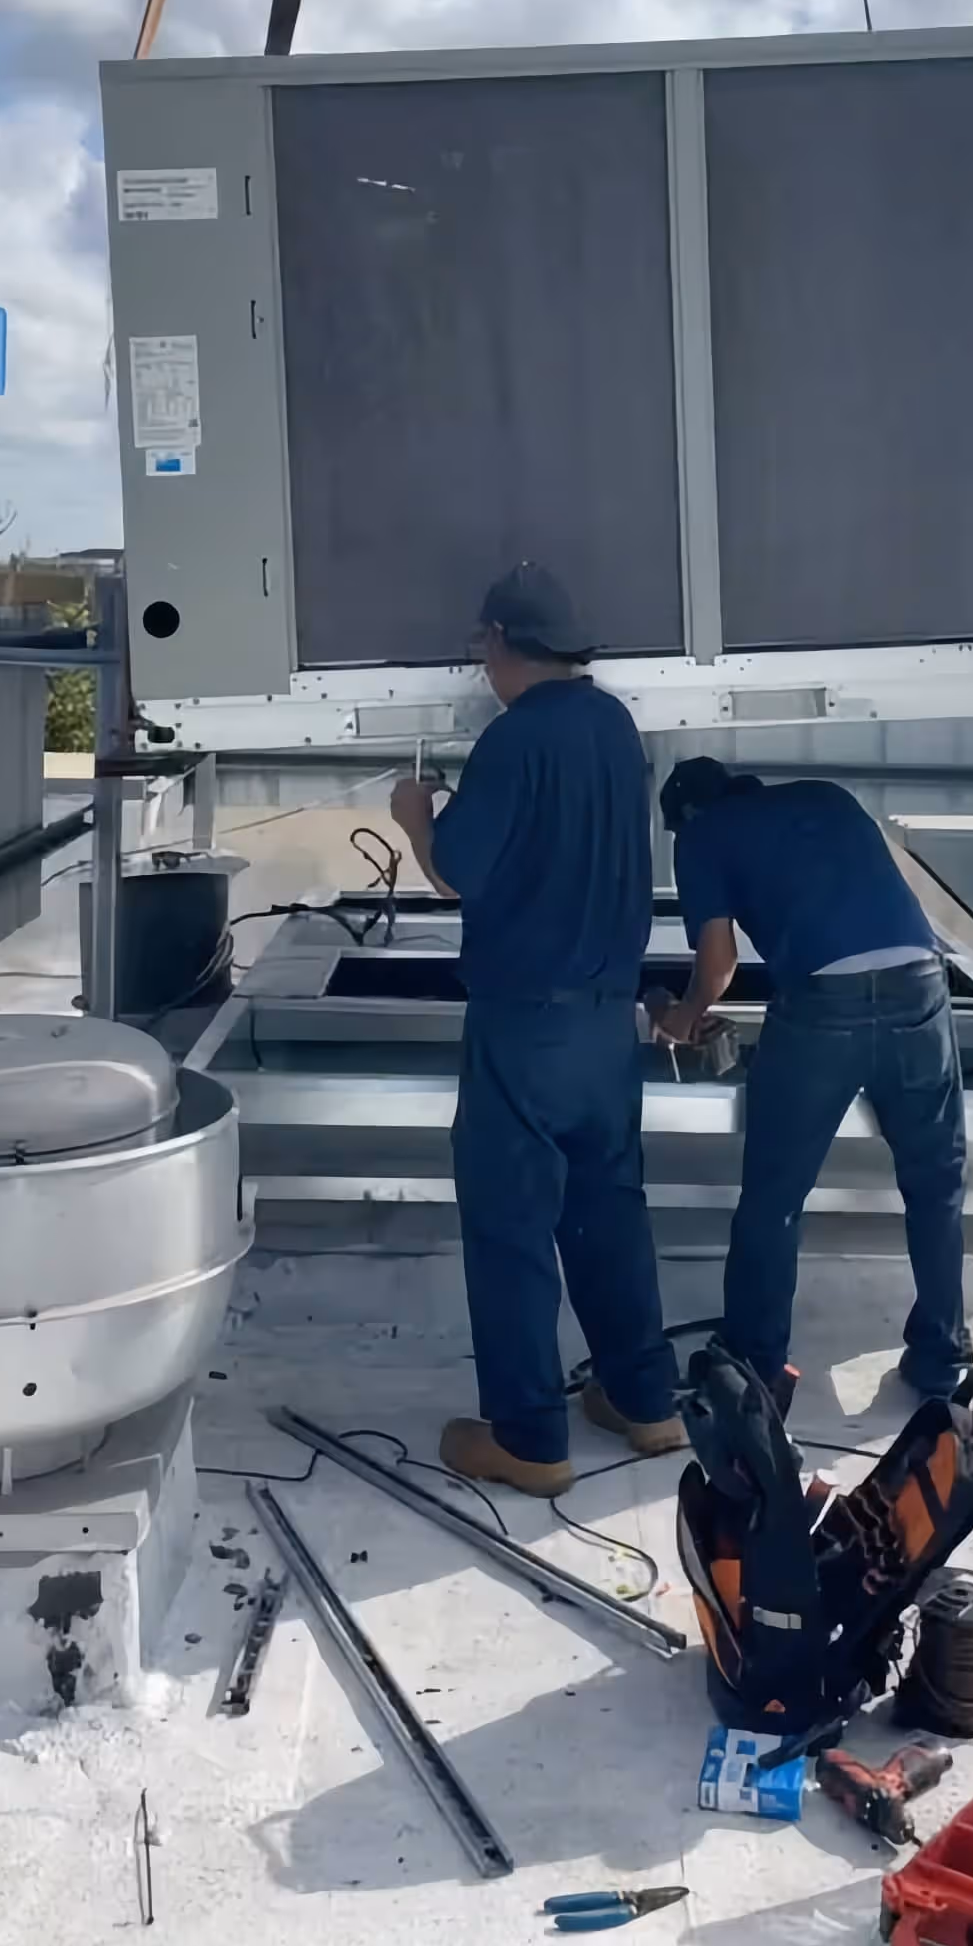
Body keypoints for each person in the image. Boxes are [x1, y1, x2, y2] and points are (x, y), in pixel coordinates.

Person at [388, 563, 681, 1496]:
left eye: (483, 645)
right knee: (608, 1215)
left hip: (525, 1024)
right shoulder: (616, 727)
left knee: (512, 1225)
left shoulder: (514, 739)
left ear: (501, 643)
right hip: (608, 1024)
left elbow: (457, 874)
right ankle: (644, 1401)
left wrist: (414, 818)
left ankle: (528, 1440)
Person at [656, 761, 971, 1404]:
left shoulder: (702, 834)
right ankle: (941, 1358)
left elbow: (718, 964)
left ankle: (756, 1365)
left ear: (683, 818)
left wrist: (682, 1017)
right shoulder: (828, 797)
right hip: (921, 984)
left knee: (775, 1196)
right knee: (936, 1184)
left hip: (826, 1008)